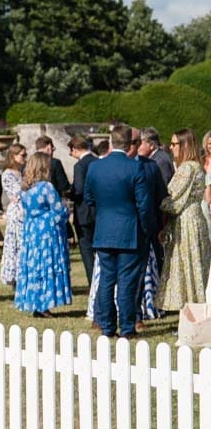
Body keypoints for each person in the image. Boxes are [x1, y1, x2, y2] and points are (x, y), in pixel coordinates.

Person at [83, 124, 153, 338]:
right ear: (129, 144)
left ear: (112, 142)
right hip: (130, 232)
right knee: (126, 282)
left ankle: (107, 325)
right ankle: (127, 327)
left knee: (106, 280)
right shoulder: (135, 168)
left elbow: (89, 198)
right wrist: (146, 229)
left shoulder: (95, 167)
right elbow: (144, 205)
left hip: (104, 231)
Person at [14, 153, 73, 317]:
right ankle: (44, 303)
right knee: (47, 265)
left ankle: (35, 302)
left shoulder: (25, 189)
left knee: (35, 265)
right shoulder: (47, 187)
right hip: (47, 231)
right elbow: (58, 210)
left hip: (31, 231)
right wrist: (66, 211)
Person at [160, 129, 211, 312]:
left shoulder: (187, 168)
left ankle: (192, 314)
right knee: (195, 269)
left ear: (185, 145)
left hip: (186, 223)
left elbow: (173, 200)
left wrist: (155, 202)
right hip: (195, 220)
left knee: (187, 269)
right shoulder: (196, 166)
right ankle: (194, 312)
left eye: (174, 144)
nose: (171, 147)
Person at [133, 133, 169, 325]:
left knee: (143, 272)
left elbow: (159, 197)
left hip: (144, 227)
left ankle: (137, 313)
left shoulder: (153, 164)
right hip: (137, 227)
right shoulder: (147, 165)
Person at [0, 143, 27, 290]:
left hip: (25, 212)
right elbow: (18, 194)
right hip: (17, 214)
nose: (25, 158)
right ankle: (16, 280)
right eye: (22, 155)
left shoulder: (22, 172)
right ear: (13, 156)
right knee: (16, 246)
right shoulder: (8, 174)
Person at [68, 136, 96, 287]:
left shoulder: (80, 166)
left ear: (75, 149)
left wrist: (69, 194)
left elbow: (78, 190)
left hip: (84, 213)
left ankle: (93, 283)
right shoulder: (98, 162)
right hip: (99, 212)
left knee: (86, 251)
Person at [35, 136, 72, 202]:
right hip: (53, 201)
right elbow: (63, 186)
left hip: (35, 200)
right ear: (49, 147)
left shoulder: (30, 162)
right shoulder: (55, 163)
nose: (53, 152)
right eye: (53, 149)